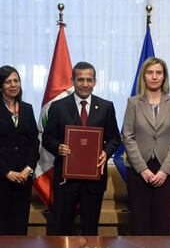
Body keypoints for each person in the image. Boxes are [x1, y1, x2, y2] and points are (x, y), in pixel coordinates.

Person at [42, 61, 121, 235]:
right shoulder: (58, 106)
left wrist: (105, 153)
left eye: (89, 80)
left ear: (95, 81)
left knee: (90, 230)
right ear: (72, 80)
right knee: (62, 229)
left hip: (94, 179)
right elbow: (47, 138)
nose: (85, 84)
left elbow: (115, 138)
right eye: (80, 79)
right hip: (65, 179)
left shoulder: (106, 107)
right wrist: (58, 147)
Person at [122, 57, 170, 235]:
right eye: (150, 73)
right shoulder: (133, 102)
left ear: (164, 77)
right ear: (144, 76)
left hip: (165, 171)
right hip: (139, 170)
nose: (154, 77)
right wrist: (142, 169)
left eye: (158, 73)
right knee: (140, 223)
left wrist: (164, 171)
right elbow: (128, 137)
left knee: (163, 223)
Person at [0, 65, 39, 235]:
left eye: (16, 80)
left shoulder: (27, 108)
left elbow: (34, 143)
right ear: (0, 86)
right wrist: (6, 172)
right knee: (0, 229)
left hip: (23, 179)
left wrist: (28, 169)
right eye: (8, 81)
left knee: (19, 228)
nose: (13, 85)